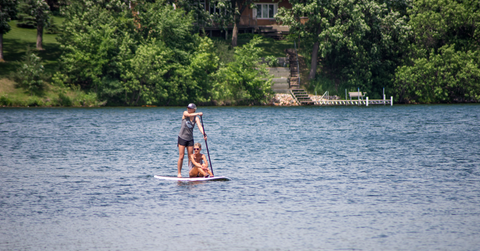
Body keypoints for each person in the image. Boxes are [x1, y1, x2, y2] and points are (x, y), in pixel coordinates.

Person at [177, 103, 207, 177]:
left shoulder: (196, 118)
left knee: (190, 157)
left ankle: (191, 173)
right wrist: (198, 113)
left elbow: (200, 127)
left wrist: (204, 134)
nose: (188, 109)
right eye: (188, 108)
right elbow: (189, 115)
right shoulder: (185, 113)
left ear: (194, 109)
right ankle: (179, 173)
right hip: (182, 138)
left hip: (190, 139)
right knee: (181, 156)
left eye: (190, 108)